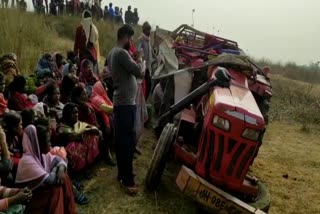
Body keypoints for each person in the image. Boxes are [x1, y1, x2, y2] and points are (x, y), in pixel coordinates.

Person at [107, 24, 145, 195]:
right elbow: (139, 73)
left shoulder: (112, 52)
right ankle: (127, 180)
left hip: (122, 102)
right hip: (125, 104)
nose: (131, 42)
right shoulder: (122, 53)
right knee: (126, 143)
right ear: (124, 36)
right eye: (130, 38)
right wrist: (141, 59)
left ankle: (123, 173)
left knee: (123, 141)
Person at [15, 125, 76, 214]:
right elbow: (51, 180)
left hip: (43, 197)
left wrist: (61, 168)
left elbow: (60, 160)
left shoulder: (42, 156)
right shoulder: (27, 161)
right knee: (56, 186)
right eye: (48, 141)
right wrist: (57, 168)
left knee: (63, 177)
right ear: (38, 144)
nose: (50, 143)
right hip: (32, 202)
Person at [56, 103, 100, 172]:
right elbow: (75, 135)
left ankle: (88, 164)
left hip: (81, 149)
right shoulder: (62, 127)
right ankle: (77, 169)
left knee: (91, 135)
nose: (76, 115)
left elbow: (95, 129)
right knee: (75, 145)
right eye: (73, 113)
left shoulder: (78, 123)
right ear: (67, 114)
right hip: (66, 154)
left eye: (77, 112)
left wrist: (88, 130)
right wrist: (86, 130)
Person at [90, 81, 115, 165]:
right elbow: (106, 109)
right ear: (100, 89)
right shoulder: (96, 98)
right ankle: (107, 153)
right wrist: (119, 107)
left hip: (103, 120)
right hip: (99, 122)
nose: (107, 89)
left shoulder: (100, 96)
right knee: (108, 126)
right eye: (105, 87)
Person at [2, 113, 23, 178]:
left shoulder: (15, 137)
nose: (21, 127)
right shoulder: (4, 139)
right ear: (13, 127)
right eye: (20, 124)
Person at [136, 21, 153, 100]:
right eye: (147, 30)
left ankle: (143, 100)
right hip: (143, 67)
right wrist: (142, 65)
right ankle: (142, 100)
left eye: (149, 30)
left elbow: (150, 53)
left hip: (148, 67)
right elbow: (138, 52)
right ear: (144, 30)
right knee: (147, 84)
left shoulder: (148, 40)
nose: (149, 32)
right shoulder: (141, 39)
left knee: (148, 85)